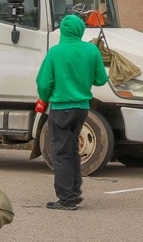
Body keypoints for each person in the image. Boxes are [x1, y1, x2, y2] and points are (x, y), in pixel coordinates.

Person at [36, 13, 109, 210]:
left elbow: (44, 83)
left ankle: (66, 199)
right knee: (73, 149)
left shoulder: (55, 52)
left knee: (62, 153)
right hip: (82, 108)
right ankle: (75, 193)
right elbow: (101, 79)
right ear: (80, 30)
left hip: (61, 108)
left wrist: (44, 97)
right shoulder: (91, 51)